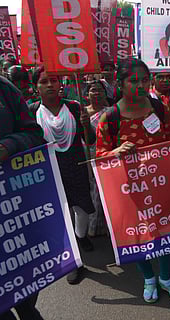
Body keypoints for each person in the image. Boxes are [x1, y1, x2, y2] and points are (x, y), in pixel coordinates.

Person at [96, 58, 170, 304]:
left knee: (168, 230)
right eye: (133, 81)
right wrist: (115, 153)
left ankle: (166, 277)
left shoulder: (160, 109)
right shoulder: (110, 118)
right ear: (120, 84)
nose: (140, 85)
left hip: (161, 186)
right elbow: (100, 158)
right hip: (129, 191)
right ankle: (148, 277)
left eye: (144, 80)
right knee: (135, 235)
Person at [29, 66, 97, 284]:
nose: (50, 85)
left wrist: (88, 126)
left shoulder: (75, 107)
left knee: (82, 209)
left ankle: (81, 236)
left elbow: (91, 140)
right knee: (59, 214)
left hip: (76, 166)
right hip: (49, 171)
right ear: (36, 87)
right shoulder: (31, 112)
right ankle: (73, 261)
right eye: (44, 81)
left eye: (54, 80)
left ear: (61, 84)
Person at [0, 76, 45, 320]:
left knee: (26, 299)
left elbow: (34, 135)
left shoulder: (4, 89)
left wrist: (9, 145)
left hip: (14, 214)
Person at [84, 80, 109, 237]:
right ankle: (90, 228)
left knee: (104, 190)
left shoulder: (110, 112)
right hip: (86, 154)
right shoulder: (82, 113)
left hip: (105, 154)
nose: (97, 93)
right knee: (90, 189)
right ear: (87, 95)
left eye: (100, 90)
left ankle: (105, 227)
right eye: (93, 90)